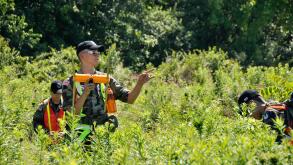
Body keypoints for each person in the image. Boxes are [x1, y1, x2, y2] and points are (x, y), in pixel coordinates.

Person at [62, 40, 151, 141]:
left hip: (101, 136)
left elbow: (129, 99)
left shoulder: (106, 78)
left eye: (98, 52)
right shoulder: (69, 83)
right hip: (80, 136)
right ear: (82, 55)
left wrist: (139, 84)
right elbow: (71, 115)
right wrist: (85, 94)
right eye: (94, 52)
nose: (98, 55)